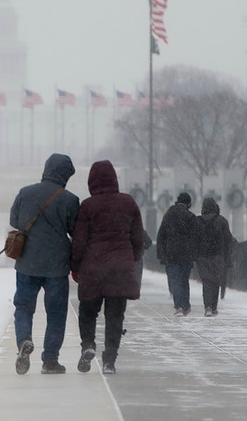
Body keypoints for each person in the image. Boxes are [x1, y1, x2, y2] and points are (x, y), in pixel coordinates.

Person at [70, 160, 145, 375]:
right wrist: (131, 260)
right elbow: (138, 238)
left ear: (92, 181)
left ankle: (88, 345)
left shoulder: (88, 206)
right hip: (119, 269)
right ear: (114, 179)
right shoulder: (128, 203)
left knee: (88, 312)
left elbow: (79, 241)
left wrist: (75, 266)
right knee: (115, 316)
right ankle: (110, 360)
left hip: (92, 268)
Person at [8, 153, 80, 375]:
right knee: (56, 313)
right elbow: (75, 231)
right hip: (56, 266)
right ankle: (50, 360)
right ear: (65, 176)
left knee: (23, 307)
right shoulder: (70, 199)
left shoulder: (25, 193)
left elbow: (15, 221)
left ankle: (24, 340)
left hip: (27, 263)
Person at [156, 192, 199, 316]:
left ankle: (178, 305)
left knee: (175, 280)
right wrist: (195, 254)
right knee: (184, 280)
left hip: (171, 254)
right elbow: (196, 237)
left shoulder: (169, 215)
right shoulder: (191, 217)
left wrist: (161, 253)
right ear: (189, 203)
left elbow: (161, 235)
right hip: (186, 254)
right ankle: (186, 305)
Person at [194, 197, 235, 317]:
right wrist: (226, 256)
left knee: (206, 282)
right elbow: (228, 240)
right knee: (215, 280)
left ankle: (207, 306)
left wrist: (195, 254)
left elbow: (193, 239)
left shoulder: (198, 221)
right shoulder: (222, 221)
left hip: (202, 256)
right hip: (218, 256)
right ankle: (214, 306)